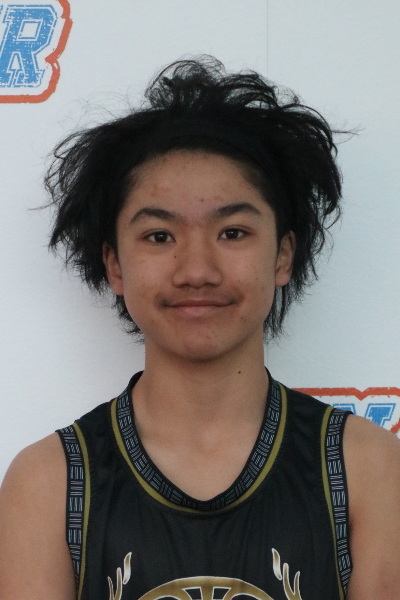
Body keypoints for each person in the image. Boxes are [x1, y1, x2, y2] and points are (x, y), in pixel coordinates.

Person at [0, 56, 399, 600]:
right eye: (159, 236)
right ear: (114, 264)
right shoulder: (49, 482)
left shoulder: (364, 469)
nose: (197, 271)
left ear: (283, 255)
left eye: (232, 232)